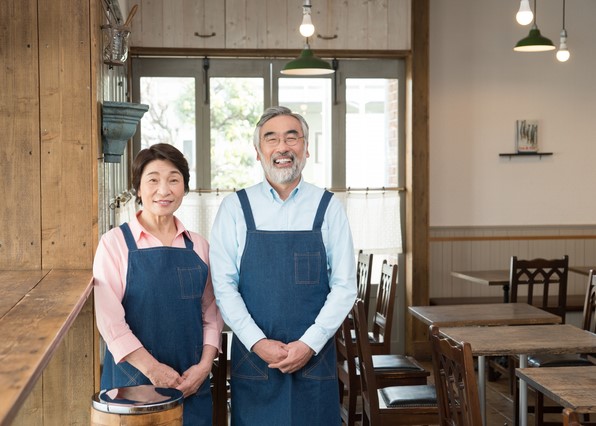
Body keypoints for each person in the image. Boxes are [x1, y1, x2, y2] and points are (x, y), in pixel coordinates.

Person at [210, 106, 357, 425]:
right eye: (271, 138)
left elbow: (345, 287)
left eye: (292, 138)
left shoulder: (328, 207)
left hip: (314, 358)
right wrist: (257, 342)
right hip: (254, 359)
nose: (282, 147)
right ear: (258, 150)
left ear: (306, 148)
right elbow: (223, 287)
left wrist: (310, 343)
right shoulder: (235, 208)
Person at [93, 143, 223, 426]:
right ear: (138, 188)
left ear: (184, 188)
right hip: (132, 384)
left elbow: (212, 315)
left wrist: (203, 368)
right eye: (153, 179)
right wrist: (153, 370)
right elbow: (110, 322)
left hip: (190, 383)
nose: (164, 190)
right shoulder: (114, 244)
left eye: (174, 179)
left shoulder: (199, 245)